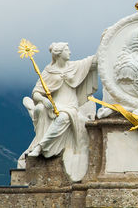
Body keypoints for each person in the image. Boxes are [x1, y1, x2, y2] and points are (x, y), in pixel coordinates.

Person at [27, 42, 98, 181]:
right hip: (55, 105)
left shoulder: (75, 66)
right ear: (59, 54)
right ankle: (41, 144)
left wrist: (105, 39)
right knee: (40, 109)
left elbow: (94, 60)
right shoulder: (49, 71)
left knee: (63, 117)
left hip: (70, 106)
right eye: (67, 50)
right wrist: (43, 100)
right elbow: (35, 92)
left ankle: (41, 146)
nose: (70, 52)